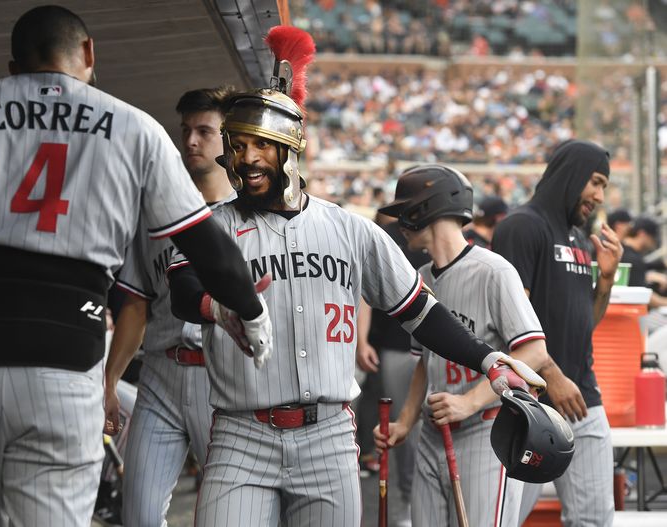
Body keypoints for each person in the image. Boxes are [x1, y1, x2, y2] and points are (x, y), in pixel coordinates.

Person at [0, 7, 271, 527]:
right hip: (64, 359)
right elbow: (207, 247)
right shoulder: (136, 129)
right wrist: (252, 315)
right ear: (88, 55)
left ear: (13, 66)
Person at [167, 26, 545, 527]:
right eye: (238, 146)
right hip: (242, 434)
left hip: (328, 436)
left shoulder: (349, 228)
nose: (248, 159)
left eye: (262, 145)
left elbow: (418, 311)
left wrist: (488, 357)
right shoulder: (212, 223)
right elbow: (182, 288)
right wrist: (217, 308)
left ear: (290, 150)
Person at [373, 165, 548, 527]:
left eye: (405, 211)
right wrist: (405, 423)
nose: (401, 221)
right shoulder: (419, 278)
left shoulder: (494, 271)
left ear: (424, 211)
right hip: (433, 435)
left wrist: (469, 402)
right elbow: (424, 360)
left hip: (487, 433)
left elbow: (533, 353)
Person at [103, 86, 237, 527]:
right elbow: (136, 307)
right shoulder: (156, 216)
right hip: (160, 375)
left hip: (221, 378)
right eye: (186, 131)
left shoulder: (249, 216)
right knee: (138, 515)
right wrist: (110, 381)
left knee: (228, 517)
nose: (192, 141)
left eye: (205, 131)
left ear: (229, 138)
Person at [492, 140, 623, 527]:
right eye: (595, 182)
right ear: (571, 175)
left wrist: (608, 279)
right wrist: (553, 377)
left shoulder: (580, 238)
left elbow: (586, 322)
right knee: (501, 518)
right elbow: (510, 322)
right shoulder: (522, 226)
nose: (599, 196)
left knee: (594, 520)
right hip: (531, 402)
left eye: (604, 186)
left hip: (583, 397)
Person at [355, 213, 430, 526]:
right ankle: (407, 510)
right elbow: (365, 294)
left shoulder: (432, 233)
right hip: (398, 346)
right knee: (406, 431)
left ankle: (416, 509)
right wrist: (361, 341)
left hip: (425, 347)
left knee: (420, 433)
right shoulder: (382, 234)